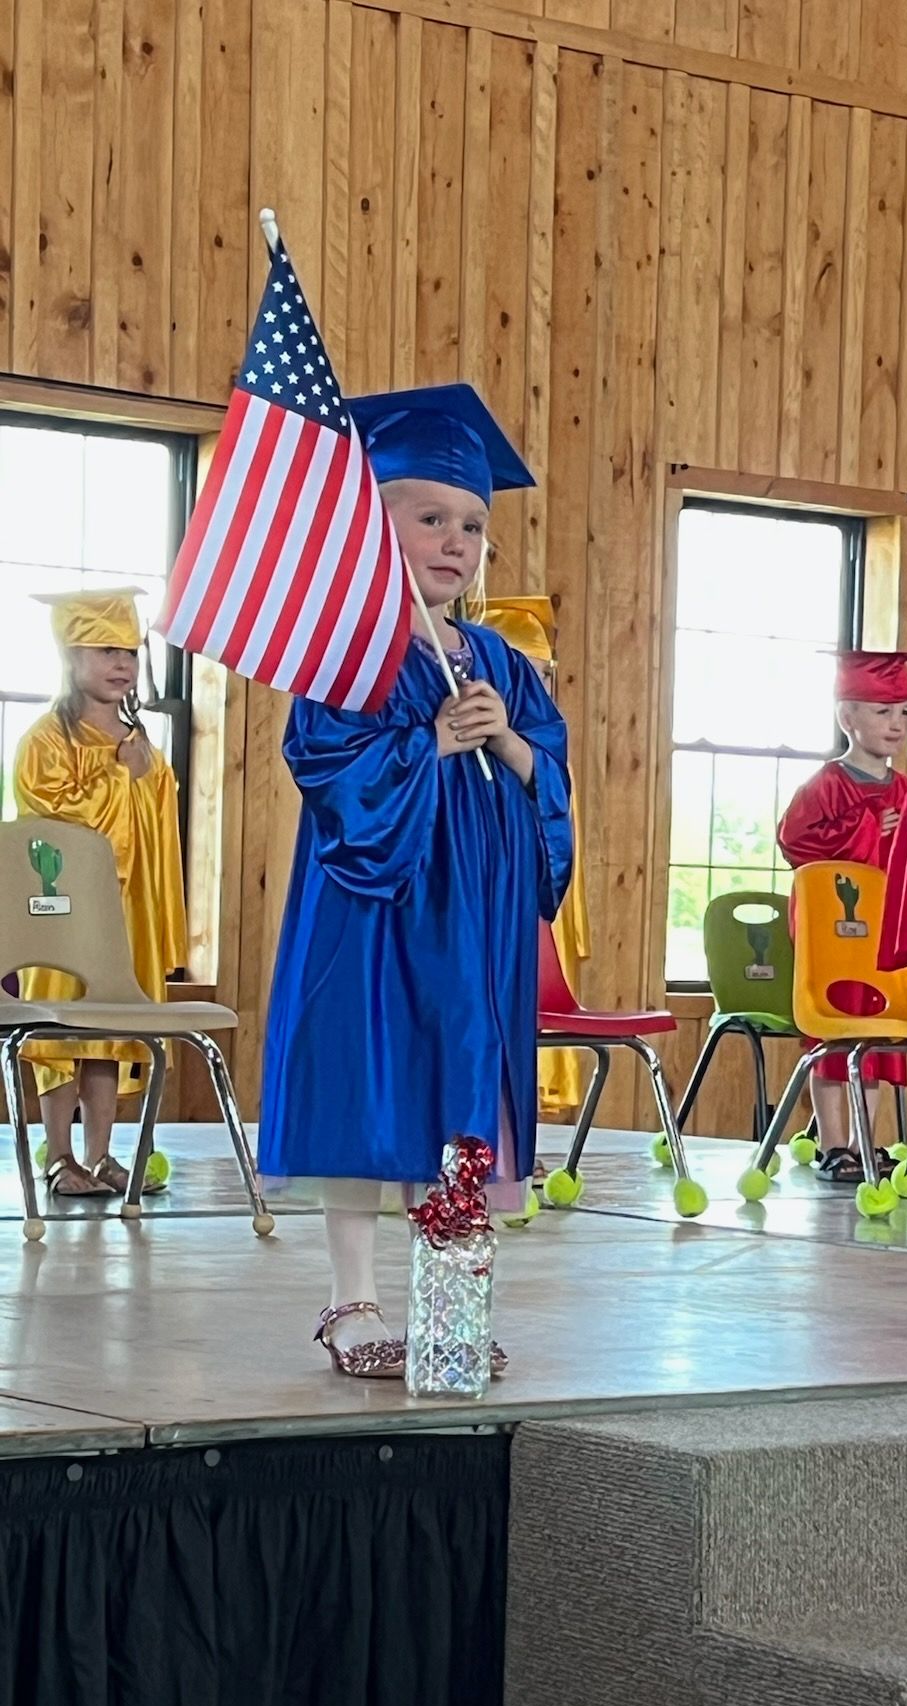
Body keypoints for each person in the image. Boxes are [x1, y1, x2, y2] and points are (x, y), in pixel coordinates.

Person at [259, 385, 573, 1375]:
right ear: (374, 523)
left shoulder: (493, 659)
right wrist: (431, 742)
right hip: (378, 907)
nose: (455, 539)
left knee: (459, 1091)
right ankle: (351, 1303)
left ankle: (448, 1303)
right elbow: (325, 766)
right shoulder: (347, 651)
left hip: (470, 920)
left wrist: (511, 742)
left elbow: (547, 776)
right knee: (372, 1083)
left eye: (472, 523)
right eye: (429, 516)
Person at [17, 587, 186, 1200]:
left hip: (125, 912)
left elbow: (158, 828)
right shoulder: (45, 742)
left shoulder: (140, 743)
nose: (122, 664)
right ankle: (60, 1156)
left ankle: (102, 1155)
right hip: (61, 912)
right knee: (62, 1029)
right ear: (70, 657)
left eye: (131, 652)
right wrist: (122, 776)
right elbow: (53, 821)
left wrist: (144, 777)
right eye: (104, 649)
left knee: (110, 1031)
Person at [776, 649, 907, 1182]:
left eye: (903, 712)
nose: (896, 724)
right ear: (847, 718)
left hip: (886, 937)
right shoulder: (824, 786)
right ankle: (833, 1145)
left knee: (880, 1039)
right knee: (833, 1036)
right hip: (834, 934)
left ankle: (866, 1144)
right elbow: (796, 843)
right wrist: (865, 830)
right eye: (882, 712)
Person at [477, 595, 591, 1131]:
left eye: (544, 674)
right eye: (524, 671)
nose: (535, 686)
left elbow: (557, 852)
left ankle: (505, 1152)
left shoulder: (545, 757)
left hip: (529, 910)